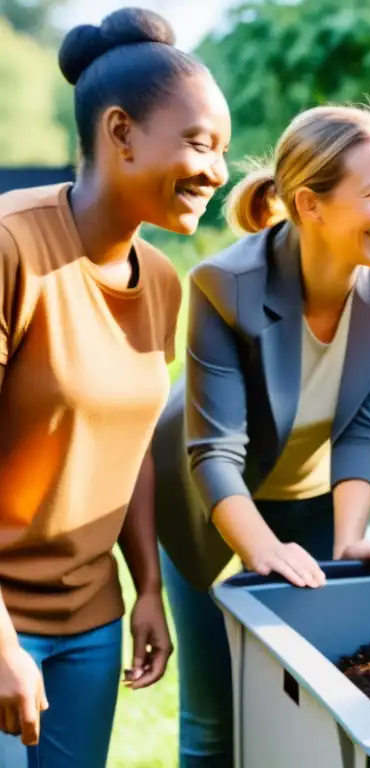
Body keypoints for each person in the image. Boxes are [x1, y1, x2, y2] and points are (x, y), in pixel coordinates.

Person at [151, 103, 370, 767]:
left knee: (316, 704)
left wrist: (350, 537)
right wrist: (260, 548)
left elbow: (369, 420)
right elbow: (213, 451)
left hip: (311, 497)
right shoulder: (226, 286)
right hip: (213, 505)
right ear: (310, 205)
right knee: (217, 722)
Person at [0, 7, 231, 768]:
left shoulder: (162, 282)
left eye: (223, 150)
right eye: (199, 143)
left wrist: (148, 592)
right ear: (120, 132)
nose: (217, 170)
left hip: (89, 625)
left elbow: (131, 447)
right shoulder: (12, 248)